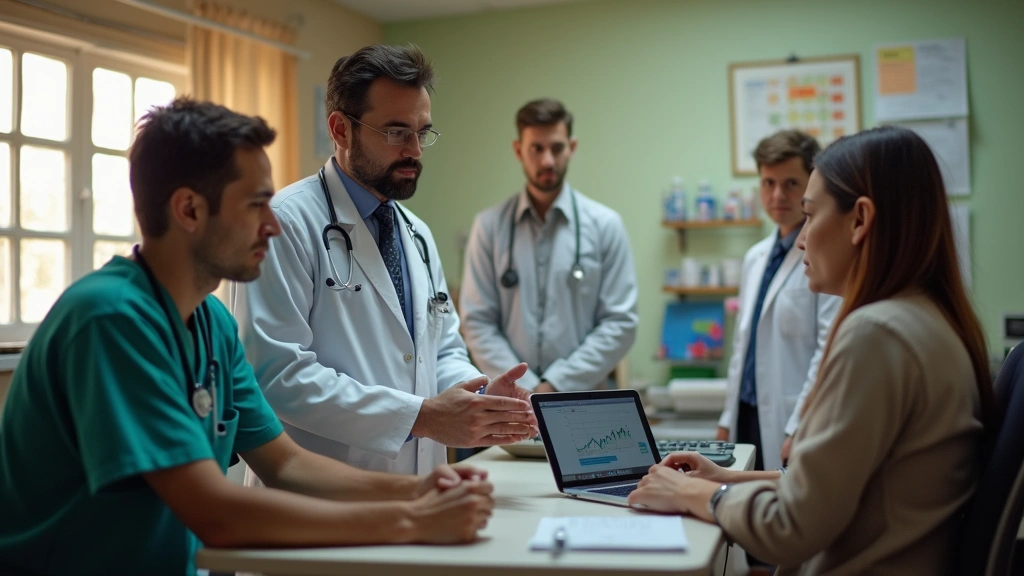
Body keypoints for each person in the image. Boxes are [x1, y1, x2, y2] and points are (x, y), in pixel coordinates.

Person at [0, 99, 496, 576]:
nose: (273, 224)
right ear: (189, 210)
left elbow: (287, 464)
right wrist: (411, 522)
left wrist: (422, 489)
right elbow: (214, 512)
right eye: (257, 204)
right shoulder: (109, 320)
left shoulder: (212, 323)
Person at [628, 125, 994, 575]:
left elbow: (790, 527)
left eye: (811, 215)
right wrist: (728, 477)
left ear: (860, 220)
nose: (801, 238)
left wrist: (692, 494)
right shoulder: (928, 318)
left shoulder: (877, 334)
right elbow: (854, 485)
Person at [232, 44, 536, 477]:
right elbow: (277, 375)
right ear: (341, 130)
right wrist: (422, 417)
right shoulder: (285, 223)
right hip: (320, 501)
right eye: (396, 132)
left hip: (417, 492)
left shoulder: (416, 233)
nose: (415, 150)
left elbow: (442, 349)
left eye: (422, 131)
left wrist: (478, 394)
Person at [459, 98, 638, 392]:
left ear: (572, 148)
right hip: (511, 401)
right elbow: (477, 322)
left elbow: (620, 323)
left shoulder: (606, 226)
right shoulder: (489, 227)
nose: (547, 161)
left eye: (557, 148)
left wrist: (556, 385)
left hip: (582, 402)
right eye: (536, 148)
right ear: (518, 150)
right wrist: (522, 385)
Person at [717, 130, 840, 472]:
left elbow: (827, 350)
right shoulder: (755, 257)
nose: (777, 195)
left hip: (791, 418)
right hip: (747, 412)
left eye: (790, 183)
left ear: (811, 183)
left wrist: (799, 424)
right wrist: (728, 418)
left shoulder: (826, 257)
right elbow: (742, 346)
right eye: (768, 183)